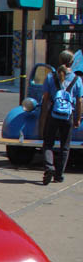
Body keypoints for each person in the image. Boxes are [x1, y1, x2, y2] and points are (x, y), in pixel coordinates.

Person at [40, 51, 83, 184]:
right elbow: (80, 101)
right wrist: (78, 118)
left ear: (59, 61)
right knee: (65, 147)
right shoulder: (77, 79)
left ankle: (49, 167)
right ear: (72, 62)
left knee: (48, 144)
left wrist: (43, 116)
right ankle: (59, 175)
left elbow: (46, 98)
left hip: (53, 114)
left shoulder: (50, 77)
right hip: (67, 116)